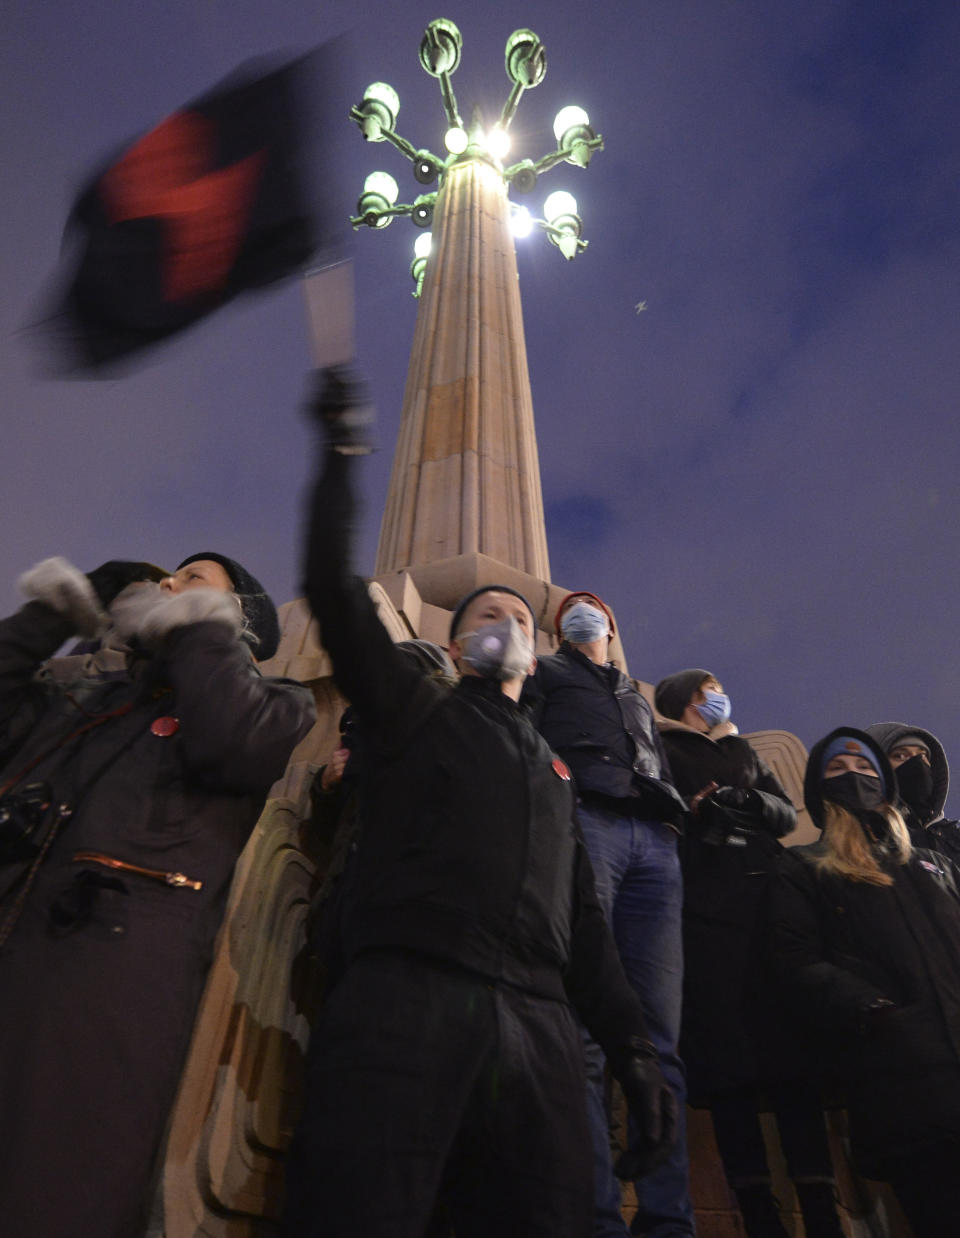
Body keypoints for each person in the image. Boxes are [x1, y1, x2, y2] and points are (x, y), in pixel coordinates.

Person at [282, 369, 678, 1238]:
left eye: (518, 619)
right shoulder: (409, 708)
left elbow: (586, 929)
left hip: (537, 1026)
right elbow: (331, 586)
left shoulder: (553, 771)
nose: (506, 622)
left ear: (536, 658)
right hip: (406, 1001)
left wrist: (635, 1052)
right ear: (457, 646)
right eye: (485, 615)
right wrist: (342, 456)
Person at [0, 552, 315, 1238]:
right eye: (164, 582)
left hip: (102, 982)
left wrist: (200, 630)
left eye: (194, 582)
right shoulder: (83, 699)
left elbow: (231, 739)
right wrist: (53, 614)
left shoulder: (277, 703)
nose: (169, 586)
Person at [524, 594, 691, 1238]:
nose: (582, 615)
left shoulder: (632, 693)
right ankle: (596, 1217)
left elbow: (655, 759)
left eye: (593, 608)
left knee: (660, 1038)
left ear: (613, 625)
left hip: (654, 838)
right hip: (587, 820)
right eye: (571, 609)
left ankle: (669, 1220)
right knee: (587, 1028)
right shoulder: (544, 670)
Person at [655, 670, 843, 1238]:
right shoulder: (663, 744)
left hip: (767, 901)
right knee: (727, 1060)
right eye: (705, 689)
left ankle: (821, 1205)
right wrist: (699, 808)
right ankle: (756, 1209)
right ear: (685, 700)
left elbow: (785, 814)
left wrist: (748, 799)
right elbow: (662, 806)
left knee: (790, 1056)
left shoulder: (744, 749)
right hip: (704, 910)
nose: (716, 696)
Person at [770, 727, 960, 1238]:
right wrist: (873, 1011)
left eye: (864, 765)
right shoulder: (803, 866)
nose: (853, 774)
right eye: (836, 768)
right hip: (905, 1090)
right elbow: (793, 961)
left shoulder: (936, 864)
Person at [866, 722, 960, 864]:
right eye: (900, 756)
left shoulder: (954, 836)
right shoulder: (860, 838)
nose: (917, 764)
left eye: (923, 756)